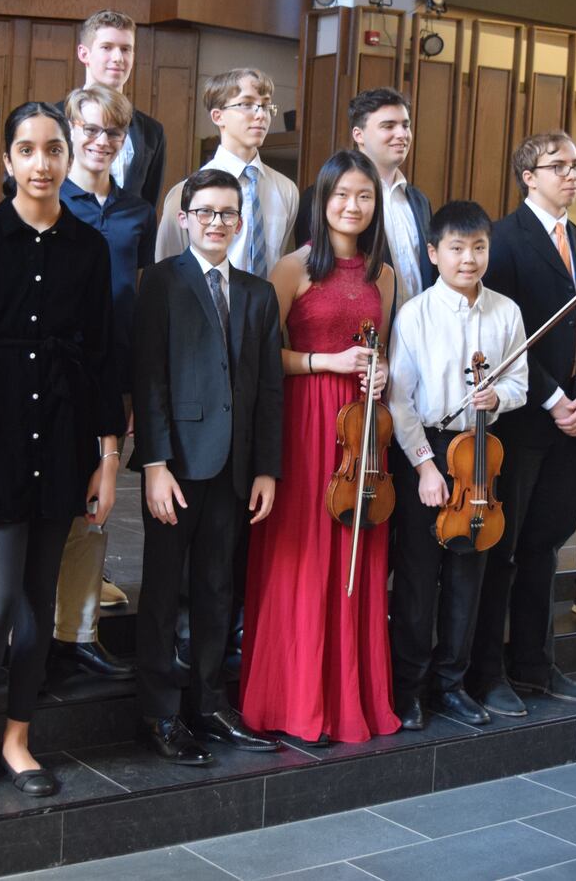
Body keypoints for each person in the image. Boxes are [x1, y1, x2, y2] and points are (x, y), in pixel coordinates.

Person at [0, 102, 125, 803]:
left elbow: (105, 357)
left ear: (67, 157)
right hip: (2, 433)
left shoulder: (89, 246)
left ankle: (18, 736)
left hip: (70, 431)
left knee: (41, 598)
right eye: (28, 149)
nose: (43, 162)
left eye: (54, 149)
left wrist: (107, 459)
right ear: (9, 161)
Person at [241, 150, 400, 745]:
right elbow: (261, 357)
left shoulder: (384, 274)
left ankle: (348, 699)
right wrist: (324, 361)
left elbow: (382, 348)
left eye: (364, 196)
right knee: (303, 553)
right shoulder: (295, 268)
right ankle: (295, 699)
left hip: (362, 430)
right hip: (307, 422)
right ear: (321, 200)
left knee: (355, 552)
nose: (352, 206)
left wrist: (378, 374)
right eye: (341, 196)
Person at [132, 167, 284, 764]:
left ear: (240, 222)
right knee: (165, 593)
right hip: (178, 465)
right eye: (206, 213)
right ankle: (161, 712)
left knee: (219, 588)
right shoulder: (161, 283)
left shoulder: (258, 293)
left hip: (237, 469)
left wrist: (267, 468)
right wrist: (154, 463)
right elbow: (148, 379)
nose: (217, 222)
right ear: (184, 219)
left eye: (227, 214)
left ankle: (210, 703)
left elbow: (269, 388)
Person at [467, 132, 576, 718]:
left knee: (545, 548)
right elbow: (503, 337)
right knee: (500, 550)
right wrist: (555, 396)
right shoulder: (501, 242)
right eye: (559, 166)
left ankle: (535, 663)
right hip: (524, 424)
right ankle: (488, 671)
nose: (573, 175)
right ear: (528, 175)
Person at [386, 200, 527, 730]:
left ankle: (451, 684)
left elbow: (520, 382)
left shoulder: (506, 312)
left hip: (480, 457)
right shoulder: (415, 313)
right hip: (426, 453)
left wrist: (501, 399)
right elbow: (400, 401)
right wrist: (424, 467)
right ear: (434, 253)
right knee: (420, 581)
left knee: (469, 573)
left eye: (478, 248)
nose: (468, 259)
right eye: (456, 248)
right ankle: (409, 689)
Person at [47, 84, 156, 681]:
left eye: (112, 133)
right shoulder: (49, 196)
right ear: (71, 129)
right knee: (50, 509)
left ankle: (79, 633)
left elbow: (136, 298)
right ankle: (35, 631)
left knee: (95, 512)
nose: (100, 142)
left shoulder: (138, 210)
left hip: (112, 376)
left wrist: (133, 390)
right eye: (89, 129)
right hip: (58, 377)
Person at [295, 88, 435, 305]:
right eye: (388, 126)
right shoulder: (321, 197)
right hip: (358, 328)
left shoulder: (419, 201)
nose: (402, 134)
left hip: (418, 330)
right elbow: (312, 275)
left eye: (405, 125)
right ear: (358, 135)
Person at [156, 68, 298, 275]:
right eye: (247, 104)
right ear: (218, 116)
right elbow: (167, 270)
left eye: (266, 106)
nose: (260, 115)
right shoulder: (186, 191)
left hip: (265, 304)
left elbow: (280, 262)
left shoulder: (286, 189)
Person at [74, 9, 168, 208]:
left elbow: (146, 207)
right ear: (84, 54)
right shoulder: (53, 119)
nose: (118, 57)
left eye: (126, 49)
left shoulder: (152, 132)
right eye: (107, 47)